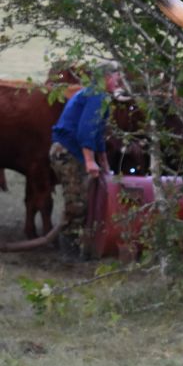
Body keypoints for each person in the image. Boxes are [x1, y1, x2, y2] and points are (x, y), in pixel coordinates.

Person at [49, 63, 127, 258]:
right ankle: (69, 253)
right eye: (117, 76)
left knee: (80, 198)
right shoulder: (97, 96)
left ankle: (74, 246)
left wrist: (104, 164)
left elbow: (98, 134)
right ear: (107, 77)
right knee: (77, 203)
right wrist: (90, 161)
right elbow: (86, 131)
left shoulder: (96, 95)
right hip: (67, 153)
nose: (119, 80)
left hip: (69, 151)